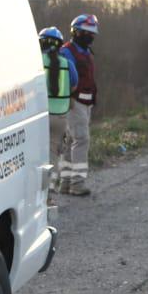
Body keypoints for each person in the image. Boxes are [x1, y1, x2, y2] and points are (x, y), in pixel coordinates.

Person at [60, 13, 99, 196]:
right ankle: (77, 184)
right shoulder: (67, 51)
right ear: (76, 32)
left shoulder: (86, 52)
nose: (91, 37)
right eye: (87, 33)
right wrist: (69, 99)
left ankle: (66, 183)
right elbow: (65, 79)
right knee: (82, 140)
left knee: (71, 142)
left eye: (92, 34)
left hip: (86, 103)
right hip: (74, 102)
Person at [39, 26, 78, 193]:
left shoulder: (35, 61)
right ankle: (49, 192)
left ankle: (34, 192)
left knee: (35, 156)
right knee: (53, 155)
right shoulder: (67, 64)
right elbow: (74, 85)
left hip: (38, 117)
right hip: (60, 118)